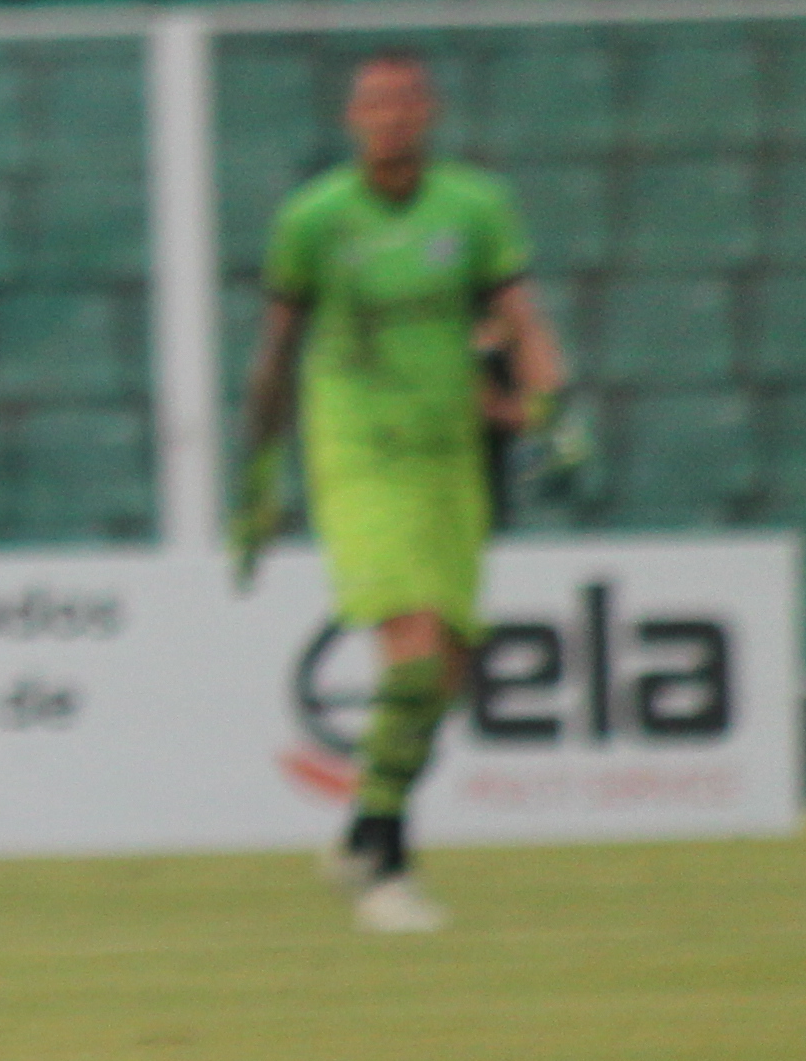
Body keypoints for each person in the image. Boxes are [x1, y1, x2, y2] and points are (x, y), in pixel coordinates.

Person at [231, 51, 579, 935]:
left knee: (446, 674)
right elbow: (274, 357)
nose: (387, 116)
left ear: (428, 111)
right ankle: (388, 866)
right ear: (352, 119)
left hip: (448, 459)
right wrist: (257, 482)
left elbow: (525, 324)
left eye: (402, 101)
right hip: (358, 452)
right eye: (372, 103)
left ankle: (360, 830)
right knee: (415, 654)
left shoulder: (474, 207)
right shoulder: (314, 220)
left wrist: (553, 414)